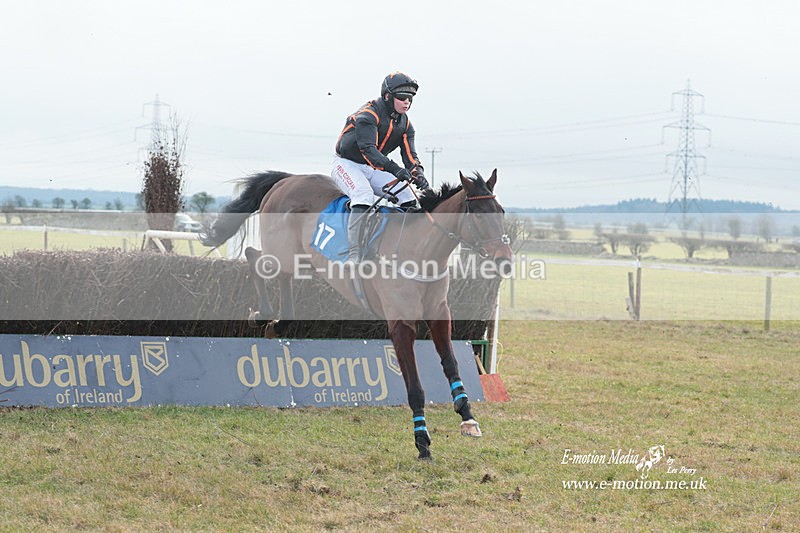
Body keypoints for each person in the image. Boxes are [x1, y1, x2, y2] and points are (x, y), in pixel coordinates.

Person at [332, 71, 429, 265]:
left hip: (372, 168)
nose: (407, 102)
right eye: (402, 98)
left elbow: (410, 157)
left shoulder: (406, 124)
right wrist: (396, 170)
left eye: (410, 99)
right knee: (363, 194)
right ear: (387, 96)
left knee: (407, 196)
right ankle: (354, 253)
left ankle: (404, 250)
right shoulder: (369, 115)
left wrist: (418, 173)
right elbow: (369, 151)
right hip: (347, 164)